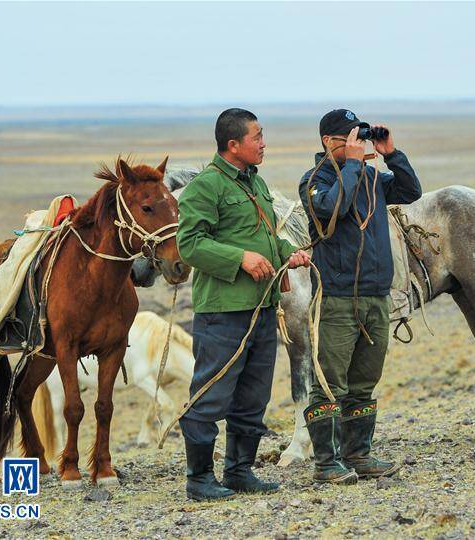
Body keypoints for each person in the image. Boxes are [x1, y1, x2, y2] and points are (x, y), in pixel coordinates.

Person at [176, 108, 311, 501]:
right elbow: (190, 244)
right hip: (223, 311)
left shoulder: (256, 183)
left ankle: (239, 472)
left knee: (253, 396)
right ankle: (199, 479)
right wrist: (240, 259)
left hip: (263, 307)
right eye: (257, 137)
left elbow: (266, 237)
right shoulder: (207, 186)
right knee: (211, 395)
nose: (264, 143)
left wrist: (289, 251)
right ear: (233, 145)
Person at [298, 109, 422, 484]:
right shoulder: (313, 181)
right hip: (336, 298)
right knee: (330, 382)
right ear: (328, 142)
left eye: (361, 138)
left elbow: (410, 192)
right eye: (350, 139)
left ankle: (358, 455)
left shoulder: (371, 177)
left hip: (374, 296)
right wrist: (352, 165)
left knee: (364, 381)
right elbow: (331, 207)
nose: (359, 145)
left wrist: (391, 154)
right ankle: (326, 463)